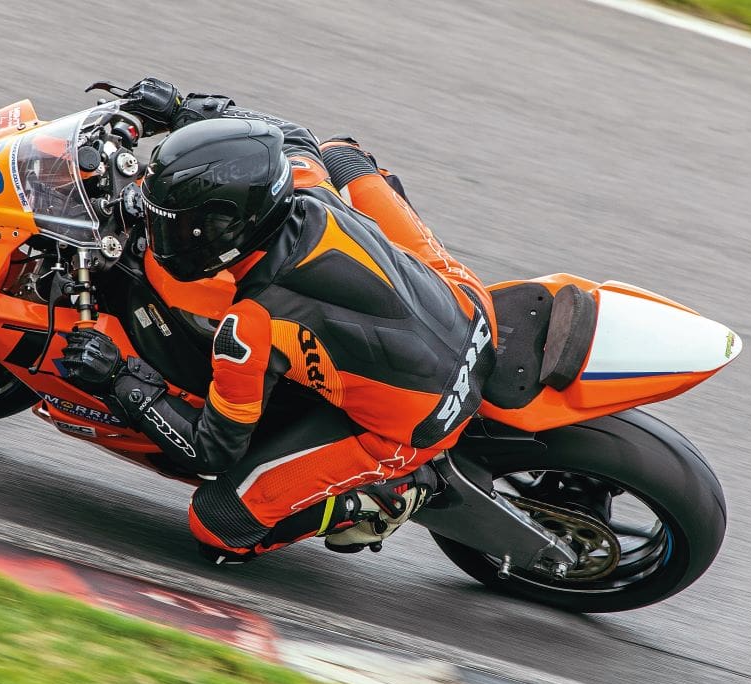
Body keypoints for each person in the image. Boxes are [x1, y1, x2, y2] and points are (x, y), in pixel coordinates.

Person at [61, 77, 497, 563]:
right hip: (470, 308)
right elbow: (287, 134)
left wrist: (122, 378)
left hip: (416, 425)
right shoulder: (304, 184)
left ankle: (387, 494)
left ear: (228, 232)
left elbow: (211, 451)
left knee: (219, 524)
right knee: (341, 155)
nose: (161, 232)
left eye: (179, 225)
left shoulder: (251, 325)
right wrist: (187, 109)